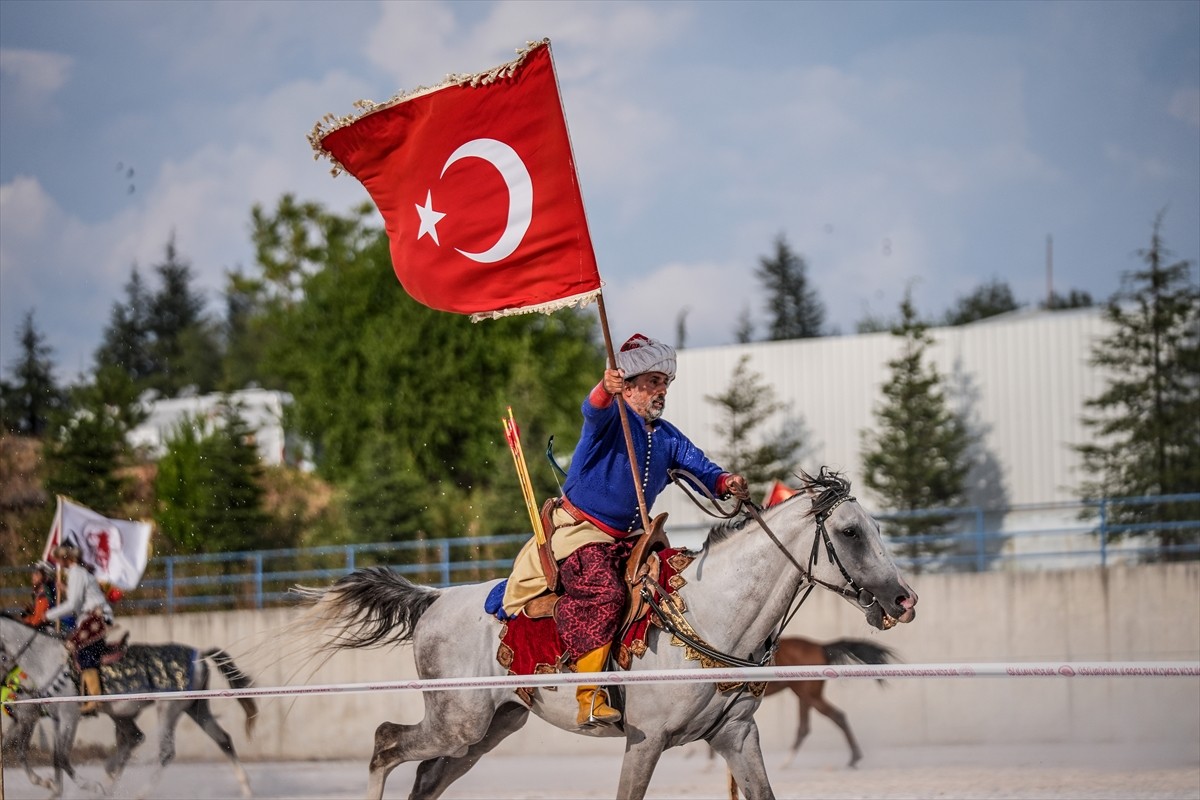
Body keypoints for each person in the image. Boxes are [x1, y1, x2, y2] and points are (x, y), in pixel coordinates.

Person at [502, 333, 750, 727]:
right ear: (629, 385)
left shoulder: (666, 435)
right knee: (606, 592)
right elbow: (592, 408)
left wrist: (725, 482)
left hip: (633, 539)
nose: (662, 390)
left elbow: (698, 466)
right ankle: (590, 695)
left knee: (679, 573)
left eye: (665, 383)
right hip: (582, 532)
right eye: (654, 381)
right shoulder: (609, 418)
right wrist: (604, 388)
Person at [45, 543, 113, 714]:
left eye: (59, 559)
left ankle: (94, 699)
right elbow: (82, 598)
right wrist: (66, 589)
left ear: (65, 559)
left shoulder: (76, 573)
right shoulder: (78, 573)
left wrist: (48, 616)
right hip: (91, 615)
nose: (58, 563)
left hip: (96, 616)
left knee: (81, 648)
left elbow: (73, 604)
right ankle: (88, 694)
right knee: (76, 646)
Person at [19, 561, 58, 629]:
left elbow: (36, 623)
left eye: (37, 573)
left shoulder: (43, 597)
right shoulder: (43, 594)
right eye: (34, 573)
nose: (33, 575)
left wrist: (24, 618)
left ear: (46, 578)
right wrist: (31, 610)